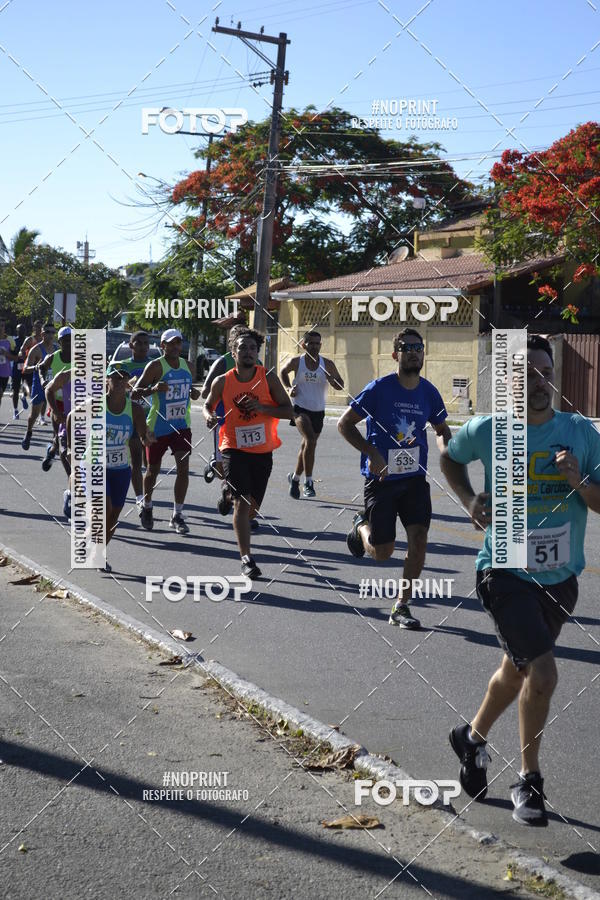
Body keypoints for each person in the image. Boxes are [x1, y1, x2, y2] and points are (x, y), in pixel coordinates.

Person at [441, 334, 600, 826]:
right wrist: (470, 500)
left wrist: (577, 480)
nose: (538, 381)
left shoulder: (580, 433)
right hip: (504, 569)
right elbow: (449, 456)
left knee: (517, 668)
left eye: (545, 372)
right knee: (544, 674)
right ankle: (529, 781)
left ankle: (471, 737)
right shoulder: (490, 428)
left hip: (560, 577)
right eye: (526, 372)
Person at [338, 328, 451, 629]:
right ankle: (361, 527)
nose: (414, 352)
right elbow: (344, 424)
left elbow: (441, 430)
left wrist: (447, 450)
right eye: (406, 347)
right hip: (382, 481)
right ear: (395, 354)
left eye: (418, 347)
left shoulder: (429, 392)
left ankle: (401, 606)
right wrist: (371, 452)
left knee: (419, 540)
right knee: (382, 553)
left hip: (414, 480)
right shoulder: (379, 388)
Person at [203, 329, 293, 579]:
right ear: (234, 353)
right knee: (243, 505)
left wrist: (263, 407)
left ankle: (227, 493)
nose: (249, 352)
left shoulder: (269, 379)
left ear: (258, 353)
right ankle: (246, 558)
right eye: (243, 348)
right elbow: (207, 405)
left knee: (251, 507)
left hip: (262, 451)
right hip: (233, 447)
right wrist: (209, 416)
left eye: (253, 348)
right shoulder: (223, 380)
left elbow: (289, 411)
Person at [66, 366, 153, 571]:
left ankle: (98, 553)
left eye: (124, 378)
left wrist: (147, 438)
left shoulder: (135, 409)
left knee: (113, 516)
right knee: (102, 510)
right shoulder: (95, 405)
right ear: (107, 380)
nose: (121, 382)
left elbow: (142, 435)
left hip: (120, 468)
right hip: (94, 465)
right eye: (116, 378)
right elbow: (71, 417)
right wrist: (70, 448)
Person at [131, 328, 200, 534]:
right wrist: (153, 389)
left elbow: (191, 391)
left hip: (181, 425)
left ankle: (177, 514)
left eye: (178, 343)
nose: (175, 346)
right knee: (152, 471)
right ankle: (148, 506)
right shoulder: (155, 366)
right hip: (158, 426)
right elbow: (134, 394)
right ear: (162, 346)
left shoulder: (189, 366)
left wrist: (194, 392)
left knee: (183, 468)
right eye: (171, 343)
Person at [280, 330, 345, 499]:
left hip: (319, 411)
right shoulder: (297, 361)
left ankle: (294, 478)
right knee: (310, 440)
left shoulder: (327, 364)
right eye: (311, 343)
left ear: (321, 345)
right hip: (300, 409)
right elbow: (282, 372)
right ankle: (308, 483)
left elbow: (340, 385)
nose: (315, 346)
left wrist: (334, 381)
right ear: (304, 345)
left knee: (306, 447)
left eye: (317, 343)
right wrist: (289, 388)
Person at [201, 323, 256, 517]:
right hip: (224, 421)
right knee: (222, 469)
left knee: (248, 468)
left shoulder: (253, 361)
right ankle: (221, 477)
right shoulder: (223, 362)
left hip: (248, 422)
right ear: (232, 342)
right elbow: (205, 391)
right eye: (237, 336)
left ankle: (237, 504)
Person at [113, 330, 154, 508]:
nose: (144, 347)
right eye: (139, 343)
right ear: (131, 345)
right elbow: (114, 389)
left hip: (150, 417)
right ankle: (141, 502)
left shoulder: (154, 365)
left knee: (149, 464)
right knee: (135, 462)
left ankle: (146, 495)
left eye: (147, 343)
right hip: (129, 418)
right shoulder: (123, 366)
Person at [39, 326, 72, 470]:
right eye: (65, 340)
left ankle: (52, 452)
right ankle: (54, 452)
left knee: (70, 439)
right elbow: (41, 368)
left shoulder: (81, 358)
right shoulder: (52, 357)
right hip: (57, 402)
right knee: (59, 437)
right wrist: (43, 381)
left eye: (71, 340)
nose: (69, 343)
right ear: (59, 341)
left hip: (74, 402)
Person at [21, 323, 58, 450]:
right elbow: (25, 369)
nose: (51, 335)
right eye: (48, 332)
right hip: (39, 385)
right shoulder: (36, 349)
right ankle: (29, 432)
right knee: (34, 415)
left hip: (54, 385)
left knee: (56, 413)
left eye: (53, 332)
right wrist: (36, 367)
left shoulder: (57, 348)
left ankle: (55, 442)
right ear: (42, 334)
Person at [45, 368, 73, 519]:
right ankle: (70, 496)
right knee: (71, 464)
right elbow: (49, 389)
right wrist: (55, 411)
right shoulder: (66, 376)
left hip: (93, 429)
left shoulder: (100, 375)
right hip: (69, 428)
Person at [19, 320, 43, 409]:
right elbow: (22, 350)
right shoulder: (30, 339)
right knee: (29, 387)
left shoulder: (43, 340)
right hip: (29, 366)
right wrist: (26, 359)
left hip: (39, 367)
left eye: (41, 327)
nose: (40, 329)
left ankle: (38, 412)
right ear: (34, 328)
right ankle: (24, 397)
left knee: (36, 388)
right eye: (38, 327)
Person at [11, 323, 30, 418]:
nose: (21, 331)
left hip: (26, 367)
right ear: (17, 331)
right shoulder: (14, 342)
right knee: (15, 390)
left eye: (23, 330)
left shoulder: (29, 341)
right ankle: (15, 411)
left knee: (27, 386)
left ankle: (23, 396)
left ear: (25, 331)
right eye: (19, 330)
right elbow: (11, 355)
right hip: (16, 368)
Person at [0, 319, 17, 416]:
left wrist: (5, 353)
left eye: (2, 326)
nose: (0, 328)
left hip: (4, 372)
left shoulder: (9, 340)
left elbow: (15, 358)